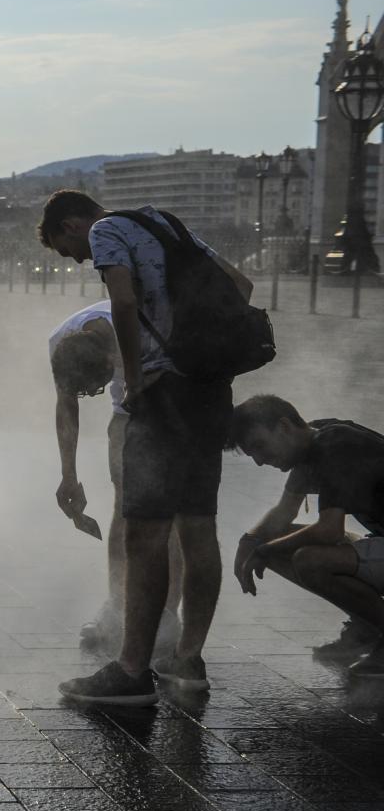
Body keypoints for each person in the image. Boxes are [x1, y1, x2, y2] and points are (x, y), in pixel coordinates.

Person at [41, 189, 253, 705]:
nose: (80, 258)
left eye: (70, 251)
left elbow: (124, 302)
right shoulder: (162, 222)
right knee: (199, 527)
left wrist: (136, 382)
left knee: (143, 534)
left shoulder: (105, 229)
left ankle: (133, 670)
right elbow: (241, 285)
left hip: (161, 396)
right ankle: (188, 660)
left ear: (73, 225)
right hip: (208, 387)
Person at [49, 300, 183, 653]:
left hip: (173, 405)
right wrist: (68, 475)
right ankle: (117, 606)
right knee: (125, 508)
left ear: (112, 360)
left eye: (99, 385)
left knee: (166, 515)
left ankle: (167, 614)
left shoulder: (144, 330)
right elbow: (66, 406)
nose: (92, 394)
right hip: (125, 414)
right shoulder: (61, 342)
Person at [226, 396, 384, 676]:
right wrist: (249, 541)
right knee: (273, 543)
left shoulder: (337, 446)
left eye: (259, 447)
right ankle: (368, 626)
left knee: (311, 560)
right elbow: (284, 512)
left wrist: (263, 551)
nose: (260, 461)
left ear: (284, 426)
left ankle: (374, 629)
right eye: (252, 455)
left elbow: (329, 530)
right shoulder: (314, 441)